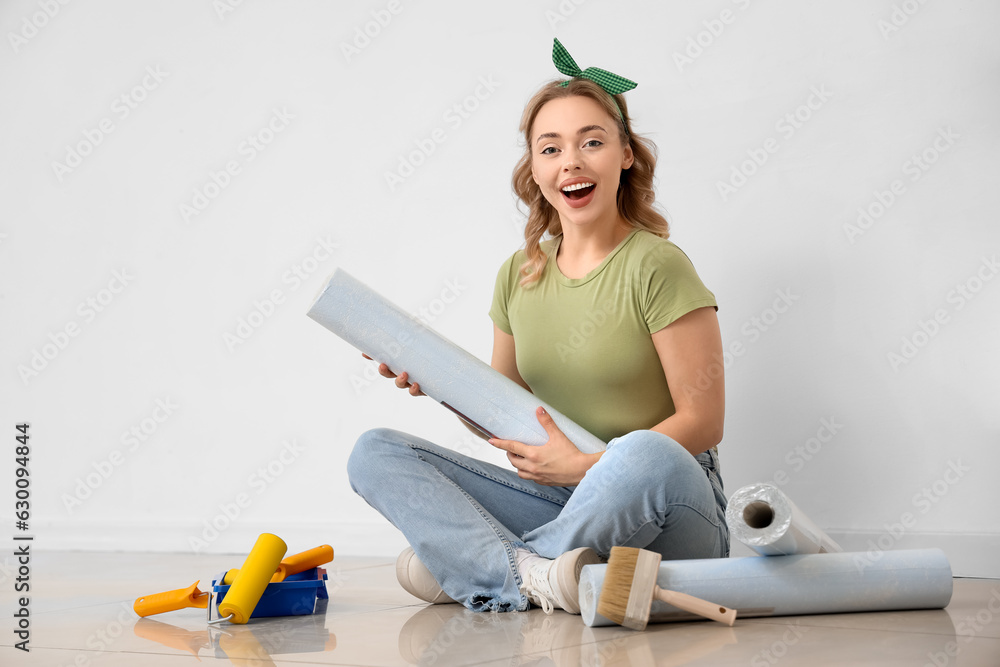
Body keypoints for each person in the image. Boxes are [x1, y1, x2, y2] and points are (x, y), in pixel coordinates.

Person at [347, 39, 728, 615]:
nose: (570, 161)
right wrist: (436, 384)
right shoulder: (519, 274)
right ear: (536, 169)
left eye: (591, 142)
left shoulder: (656, 264)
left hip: (668, 504)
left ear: (625, 155)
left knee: (644, 454)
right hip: (560, 503)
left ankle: (484, 569)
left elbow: (703, 422)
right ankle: (540, 575)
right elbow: (505, 416)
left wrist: (590, 467)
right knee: (374, 452)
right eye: (550, 149)